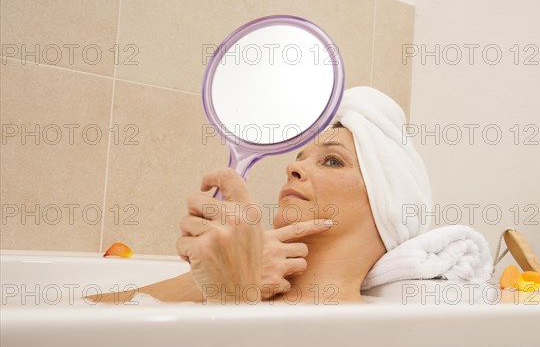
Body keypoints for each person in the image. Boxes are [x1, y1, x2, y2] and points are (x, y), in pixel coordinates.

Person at [89, 87, 432, 304]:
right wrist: (215, 281)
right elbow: (75, 320)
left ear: (389, 207)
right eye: (299, 158)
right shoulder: (228, 273)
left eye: (331, 160)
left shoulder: (379, 332)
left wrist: (231, 293)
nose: (293, 169)